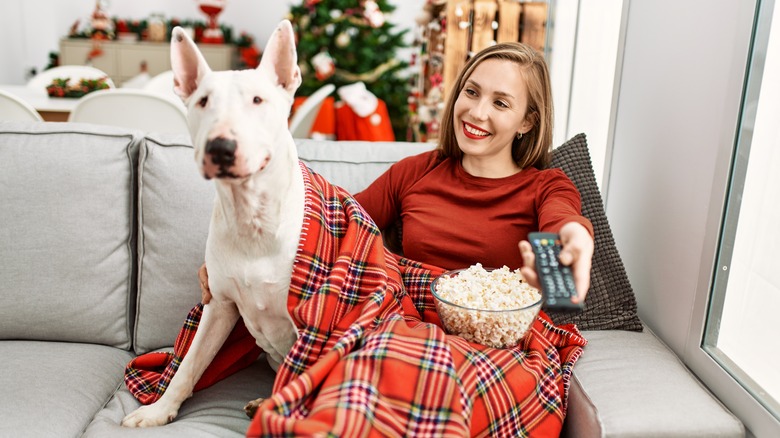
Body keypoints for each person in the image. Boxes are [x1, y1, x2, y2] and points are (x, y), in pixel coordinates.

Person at [200, 41, 594, 306]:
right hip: (404, 325)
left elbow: (565, 222)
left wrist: (574, 242)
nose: (476, 112)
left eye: (501, 103)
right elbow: (332, 226)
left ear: (527, 122)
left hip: (493, 344)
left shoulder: (546, 186)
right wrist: (235, 265)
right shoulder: (417, 172)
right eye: (471, 93)